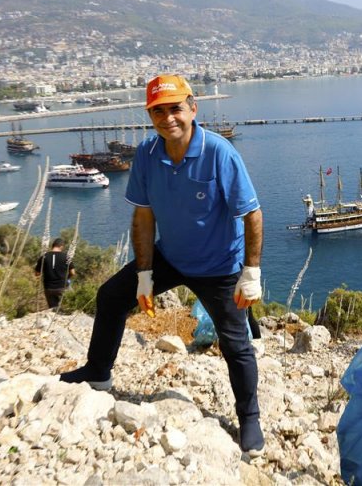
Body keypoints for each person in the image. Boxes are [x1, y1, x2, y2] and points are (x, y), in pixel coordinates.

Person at [59, 75, 265, 455]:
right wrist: (144, 273)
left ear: (192, 109)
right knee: (110, 297)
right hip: (172, 255)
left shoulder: (220, 153)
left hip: (220, 265)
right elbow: (143, 217)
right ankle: (98, 372)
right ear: (150, 115)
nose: (168, 117)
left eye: (175, 108)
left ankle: (249, 419)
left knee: (236, 345)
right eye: (158, 110)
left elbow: (251, 213)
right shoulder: (148, 155)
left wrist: (250, 273)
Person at [35, 237, 75, 309]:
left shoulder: (44, 257)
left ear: (52, 246)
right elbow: (73, 272)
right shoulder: (66, 257)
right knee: (72, 303)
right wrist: (67, 278)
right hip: (63, 287)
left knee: (53, 308)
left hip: (48, 288)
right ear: (61, 246)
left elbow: (37, 273)